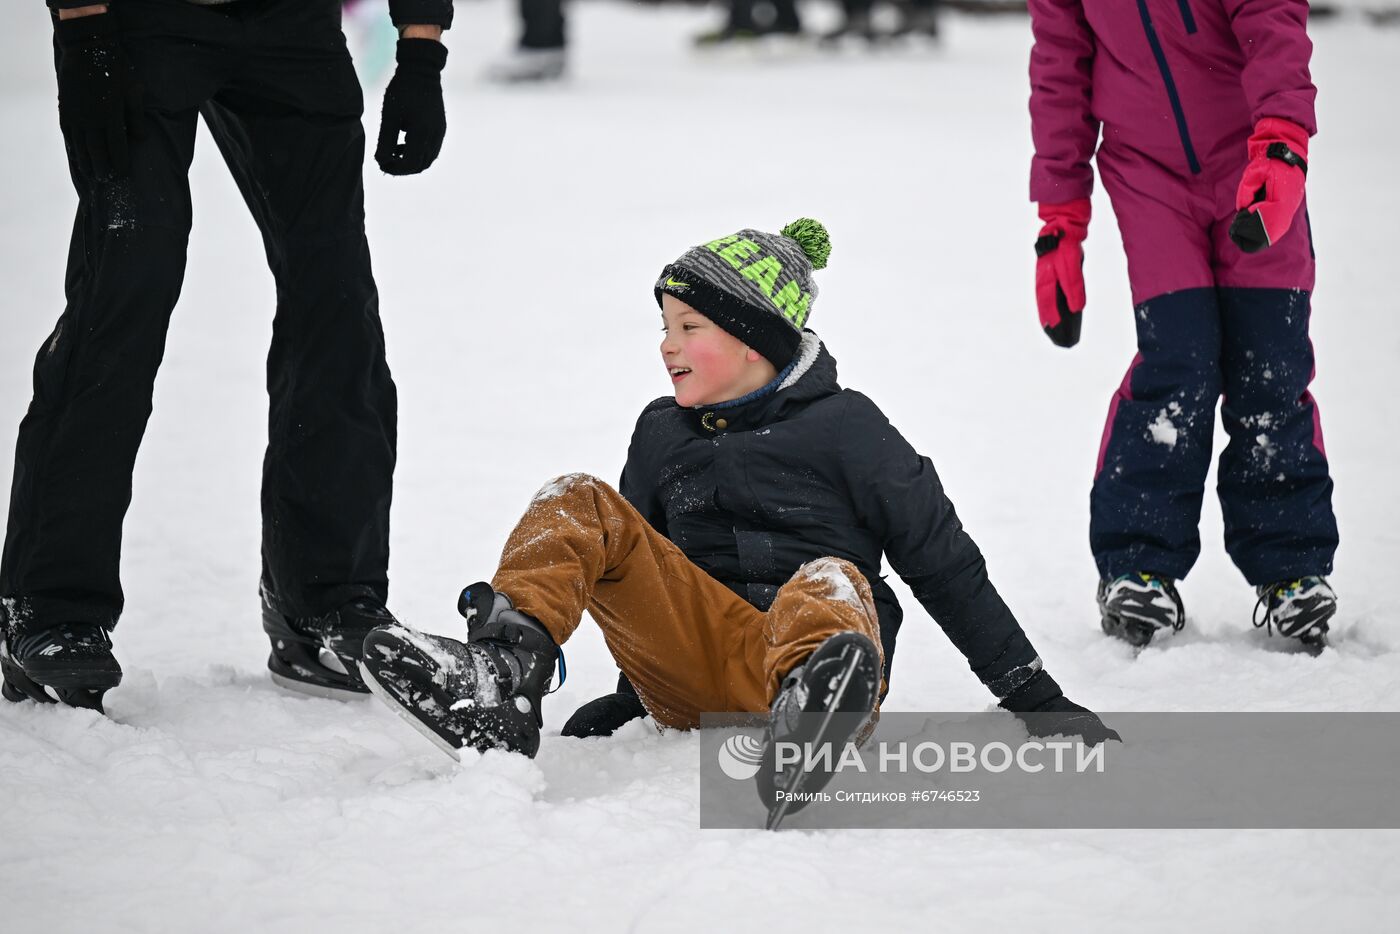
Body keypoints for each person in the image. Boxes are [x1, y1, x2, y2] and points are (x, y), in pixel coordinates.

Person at [358, 219, 1117, 797]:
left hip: (815, 662)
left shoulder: (850, 427)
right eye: (664, 326)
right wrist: (632, 695)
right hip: (693, 665)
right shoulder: (662, 430)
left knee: (829, 578)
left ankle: (809, 722)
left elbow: (942, 559)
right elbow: (634, 566)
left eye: (691, 327)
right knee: (577, 501)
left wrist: (1031, 694)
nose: (667, 344)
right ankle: (500, 678)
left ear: (757, 342)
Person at [0, 0, 454, 714]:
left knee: (336, 302)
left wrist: (422, 48)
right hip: (135, 25)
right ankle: (49, 606)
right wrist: (83, 25)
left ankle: (324, 600)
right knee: (126, 287)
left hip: (290, 29)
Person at [1028, 0, 1338, 651]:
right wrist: (1060, 217)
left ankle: (1292, 568)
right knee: (1179, 359)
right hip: (1149, 174)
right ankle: (1137, 565)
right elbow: (1061, 65)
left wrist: (1283, 143)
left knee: (1270, 363)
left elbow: (1273, 22)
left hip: (1250, 157)